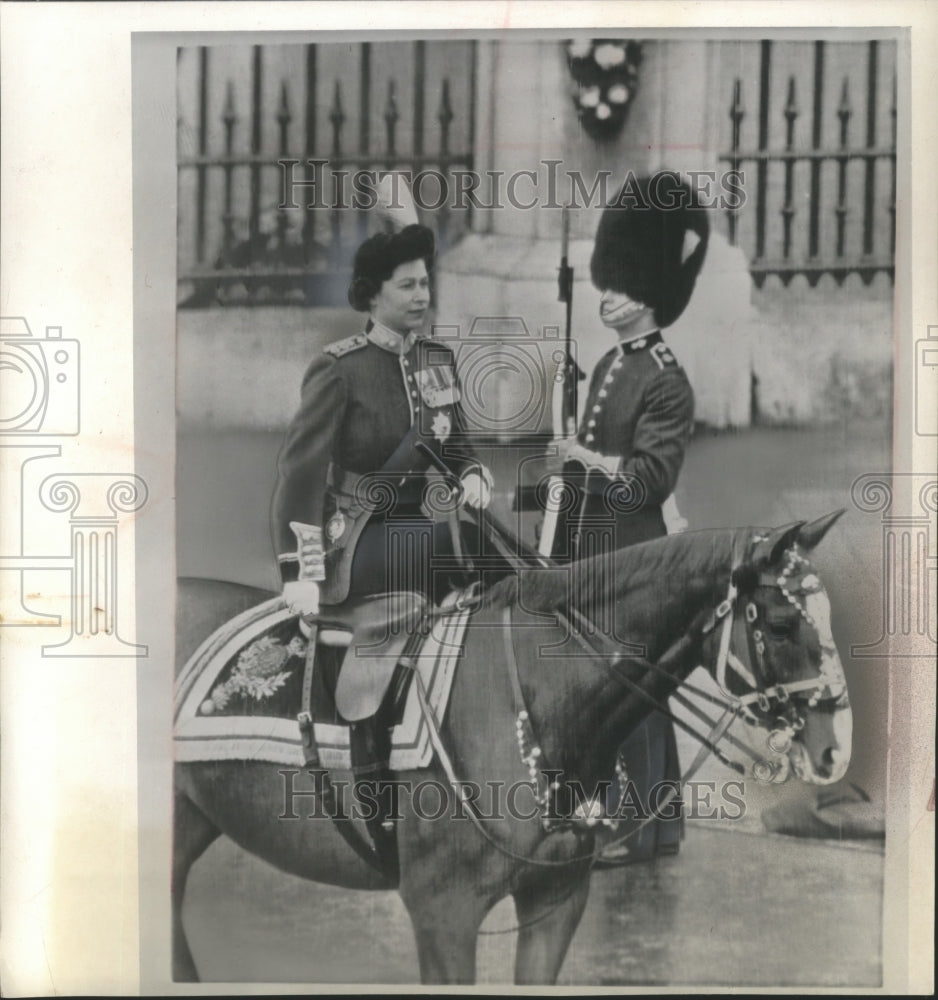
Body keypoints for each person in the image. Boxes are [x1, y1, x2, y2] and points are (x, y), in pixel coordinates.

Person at [552, 172, 709, 864]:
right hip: (600, 551)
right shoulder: (614, 361)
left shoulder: (666, 377)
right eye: (605, 281)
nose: (606, 294)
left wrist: (581, 458)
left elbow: (648, 479)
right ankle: (657, 825)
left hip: (638, 555)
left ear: (651, 292)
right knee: (621, 689)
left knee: (634, 692)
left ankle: (638, 828)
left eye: (620, 284)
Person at [272, 222, 492, 618]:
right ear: (373, 293)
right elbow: (300, 474)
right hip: (355, 537)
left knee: (489, 553)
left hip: (417, 524)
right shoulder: (339, 368)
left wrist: (471, 474)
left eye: (425, 284)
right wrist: (300, 571)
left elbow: (457, 448)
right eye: (407, 286)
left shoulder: (436, 359)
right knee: (455, 549)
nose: (421, 296)